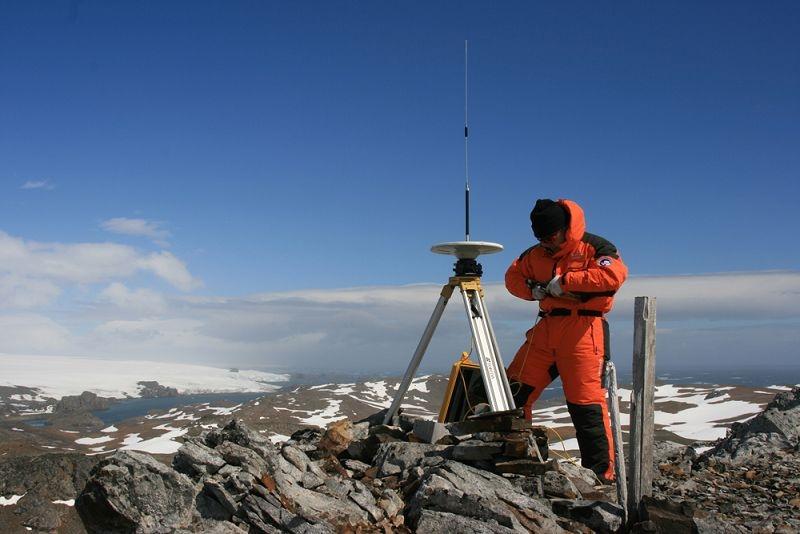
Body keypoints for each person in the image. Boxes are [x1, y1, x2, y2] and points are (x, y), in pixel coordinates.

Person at [505, 198, 628, 482]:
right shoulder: (534, 254)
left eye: (550, 236)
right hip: (547, 327)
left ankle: (600, 476)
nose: (546, 243)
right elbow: (512, 277)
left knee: (585, 404)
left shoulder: (595, 247)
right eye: (541, 238)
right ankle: (518, 458)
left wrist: (566, 282)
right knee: (513, 392)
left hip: (583, 330)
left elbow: (613, 275)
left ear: (564, 229)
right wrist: (532, 291)